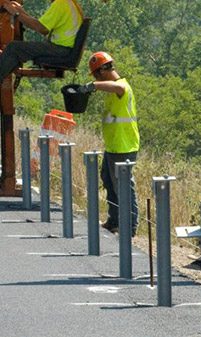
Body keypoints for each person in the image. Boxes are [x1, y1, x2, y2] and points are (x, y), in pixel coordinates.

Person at [76, 51, 140, 236]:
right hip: (114, 145)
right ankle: (114, 220)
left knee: (124, 186)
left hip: (124, 145)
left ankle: (130, 225)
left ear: (103, 71)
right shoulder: (112, 89)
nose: (96, 78)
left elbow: (116, 88)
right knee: (109, 182)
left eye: (96, 74)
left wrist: (92, 86)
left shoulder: (122, 86)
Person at [0, 0, 84, 99]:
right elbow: (41, 24)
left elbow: (41, 28)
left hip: (61, 49)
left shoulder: (60, 3)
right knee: (16, 50)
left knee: (14, 48)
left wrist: (16, 14)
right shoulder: (69, 3)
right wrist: (20, 11)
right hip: (64, 48)